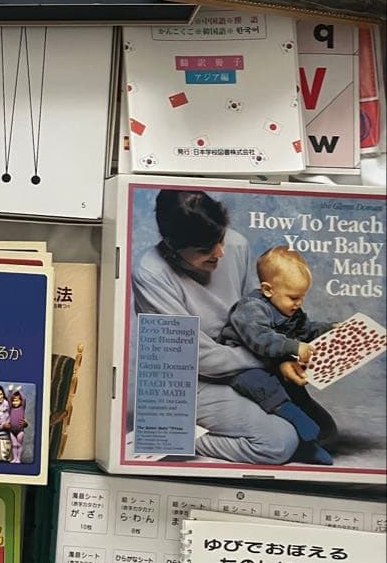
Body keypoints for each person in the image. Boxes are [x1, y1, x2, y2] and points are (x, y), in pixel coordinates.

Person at [132, 189, 336, 465]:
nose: (220, 252)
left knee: (325, 432)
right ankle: (178, 435)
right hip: (189, 378)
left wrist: (281, 357)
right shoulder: (151, 273)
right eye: (205, 249)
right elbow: (197, 358)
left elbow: (254, 318)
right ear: (171, 245)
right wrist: (275, 358)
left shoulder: (235, 245)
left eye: (220, 239)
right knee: (278, 442)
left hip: (245, 366)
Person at [219, 245, 335, 464]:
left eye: (302, 297)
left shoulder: (290, 309)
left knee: (298, 393)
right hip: (241, 365)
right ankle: (297, 424)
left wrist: (329, 329)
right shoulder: (251, 308)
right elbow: (261, 339)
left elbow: (306, 330)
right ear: (268, 290)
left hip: (272, 364)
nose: (299, 303)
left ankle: (309, 433)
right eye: (293, 297)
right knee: (260, 382)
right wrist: (294, 347)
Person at [8, 388, 28, 463]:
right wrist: (10, 391)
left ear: (20, 401)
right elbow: (9, 399)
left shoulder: (22, 407)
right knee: (14, 445)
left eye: (17, 400)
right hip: (12, 430)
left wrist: (19, 391)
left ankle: (18, 459)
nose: (15, 402)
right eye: (13, 401)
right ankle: (14, 458)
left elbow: (24, 399)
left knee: (19, 444)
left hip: (20, 430)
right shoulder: (11, 408)